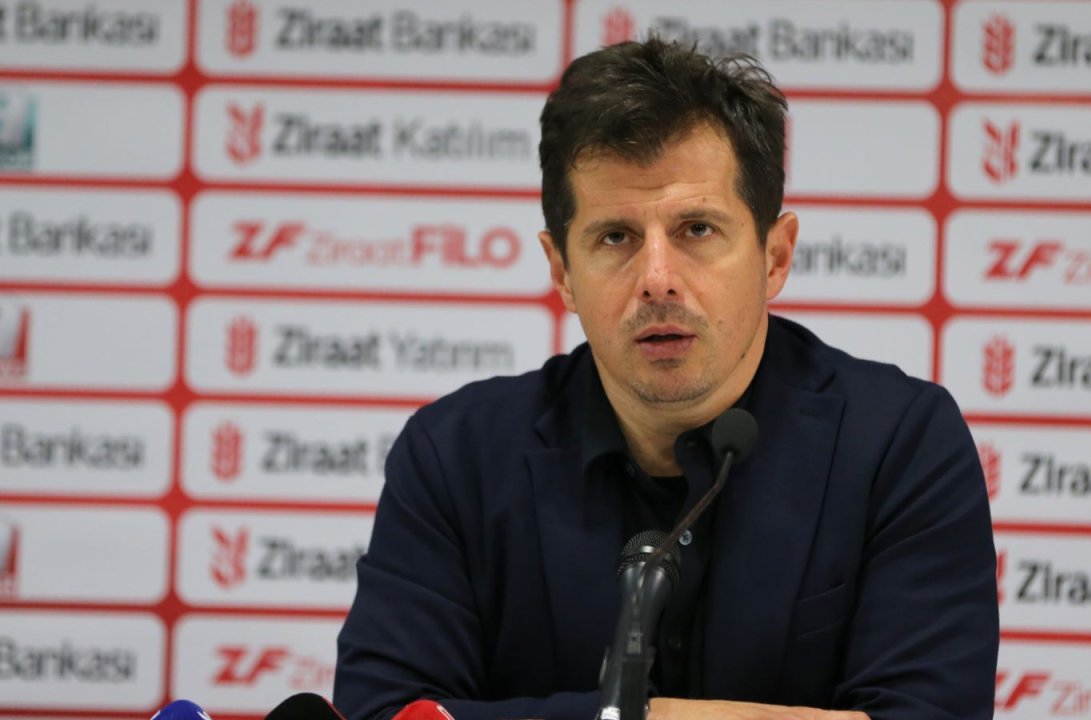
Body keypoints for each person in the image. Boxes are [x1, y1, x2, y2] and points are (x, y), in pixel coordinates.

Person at [335, 37, 998, 720]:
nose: (657, 280)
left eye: (697, 229)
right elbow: (381, 713)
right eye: (615, 237)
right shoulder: (456, 457)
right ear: (562, 272)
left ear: (774, 256)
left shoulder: (898, 446)